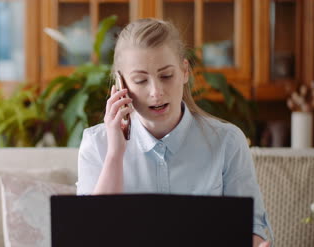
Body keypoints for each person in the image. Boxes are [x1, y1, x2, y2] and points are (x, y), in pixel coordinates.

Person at [76, 18, 273, 247]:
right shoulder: (96, 143)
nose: (156, 92)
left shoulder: (228, 141)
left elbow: (252, 228)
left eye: (166, 76)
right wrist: (115, 154)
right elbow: (90, 237)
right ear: (121, 85)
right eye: (140, 80)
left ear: (184, 71)